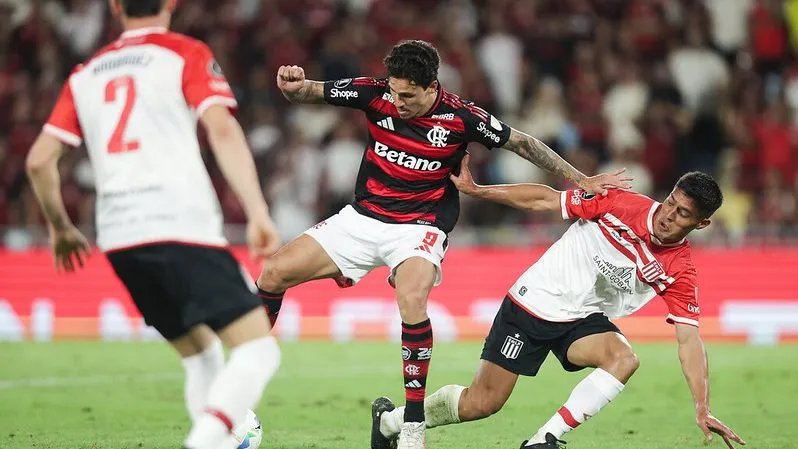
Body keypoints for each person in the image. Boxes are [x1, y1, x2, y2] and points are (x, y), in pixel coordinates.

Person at [256, 39, 630, 449]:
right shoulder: (376, 93)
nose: (398, 102)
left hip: (418, 228)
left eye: (408, 96)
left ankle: (412, 423)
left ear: (432, 87)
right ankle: (244, 381)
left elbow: (523, 143)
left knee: (412, 300)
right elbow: (314, 91)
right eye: (395, 92)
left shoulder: (462, 116)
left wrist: (582, 180)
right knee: (272, 273)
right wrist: (295, 86)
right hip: (362, 220)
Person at [25, 1, 281, 448]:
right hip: (179, 224)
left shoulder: (86, 74)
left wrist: (62, 228)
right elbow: (221, 129)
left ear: (116, 6)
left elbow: (38, 160)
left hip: (120, 237)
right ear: (171, 3)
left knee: (201, 358)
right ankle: (202, 442)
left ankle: (221, 441)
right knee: (258, 350)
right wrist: (257, 210)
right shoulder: (185, 52)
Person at [371, 154, 746, 449]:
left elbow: (689, 340)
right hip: (534, 303)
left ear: (701, 224)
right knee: (481, 404)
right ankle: (390, 421)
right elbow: (546, 199)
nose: (668, 216)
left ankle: (542, 440)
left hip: (582, 319)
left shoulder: (679, 270)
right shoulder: (618, 203)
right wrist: (480, 191)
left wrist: (702, 405)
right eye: (670, 203)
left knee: (624, 359)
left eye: (683, 214)